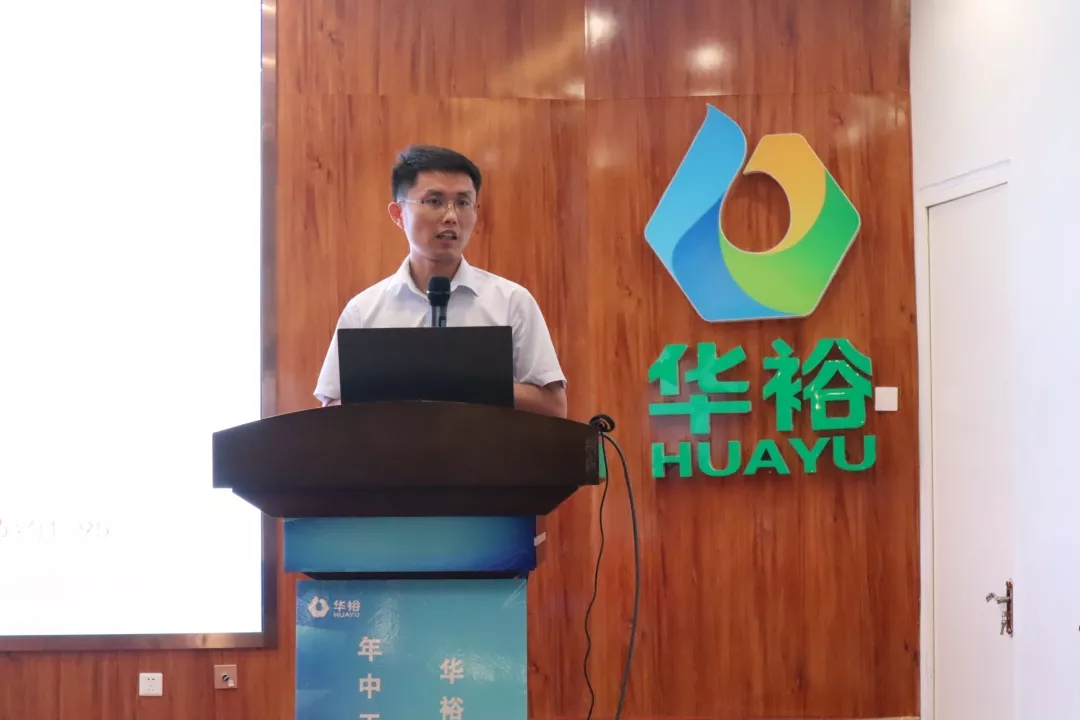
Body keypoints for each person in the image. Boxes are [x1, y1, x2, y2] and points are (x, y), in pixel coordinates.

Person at [313, 144, 567, 418]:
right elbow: (331, 411)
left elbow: (554, 406)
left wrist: (468, 383)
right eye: (434, 201)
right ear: (398, 214)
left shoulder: (511, 302)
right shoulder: (364, 311)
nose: (451, 216)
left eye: (463, 203)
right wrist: (403, 389)